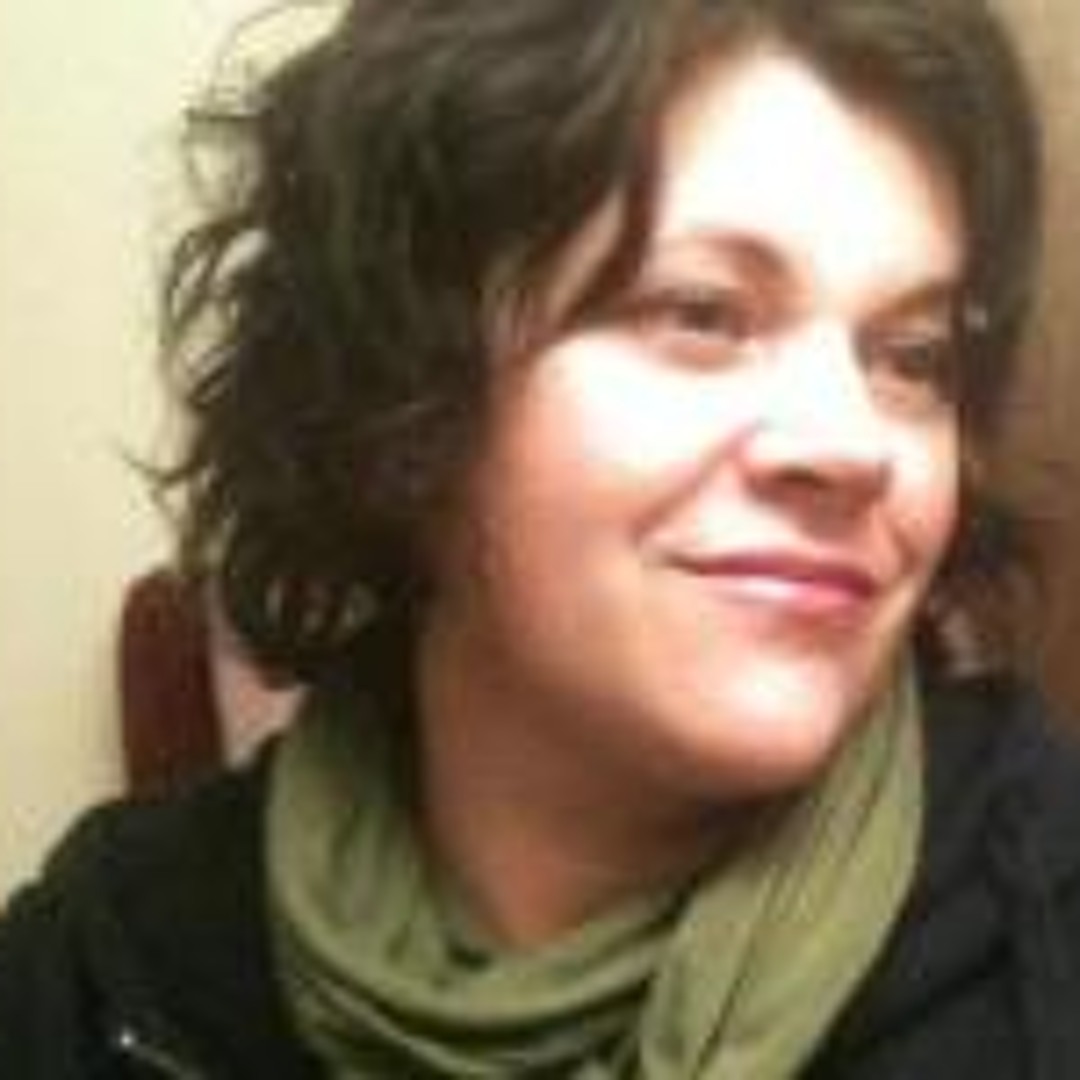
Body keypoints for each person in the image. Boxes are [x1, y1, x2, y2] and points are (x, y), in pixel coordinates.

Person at [2, 0, 1078, 1075]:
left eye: (913, 357)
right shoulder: (102, 975)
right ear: (402, 392)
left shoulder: (1045, 917)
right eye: (702, 313)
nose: (852, 443)